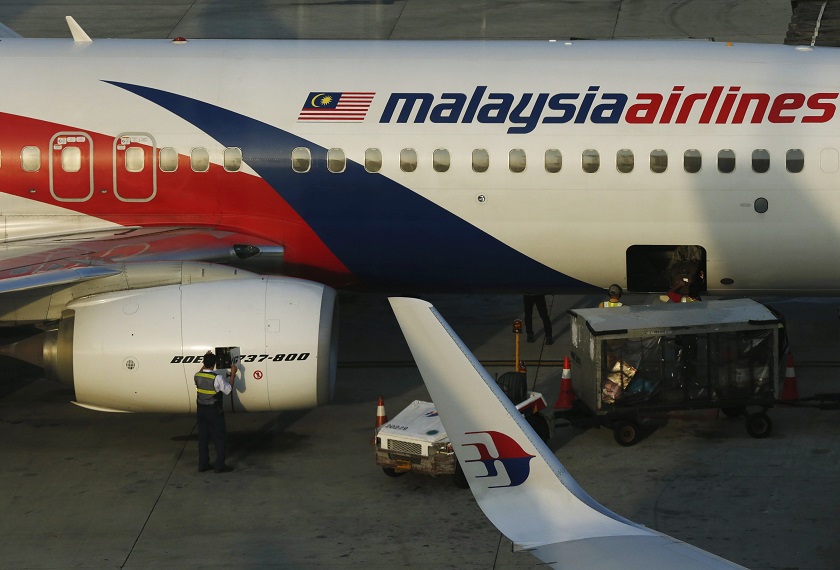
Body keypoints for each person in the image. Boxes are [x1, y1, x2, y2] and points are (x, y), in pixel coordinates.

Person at [195, 351, 237, 473]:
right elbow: (228, 390)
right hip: (213, 411)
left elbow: (202, 372)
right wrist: (233, 374)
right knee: (219, 438)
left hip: (201, 410)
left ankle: (203, 464)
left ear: (203, 363)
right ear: (214, 364)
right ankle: (220, 466)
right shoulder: (217, 378)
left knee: (203, 438)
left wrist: (207, 358)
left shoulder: (197, 375)